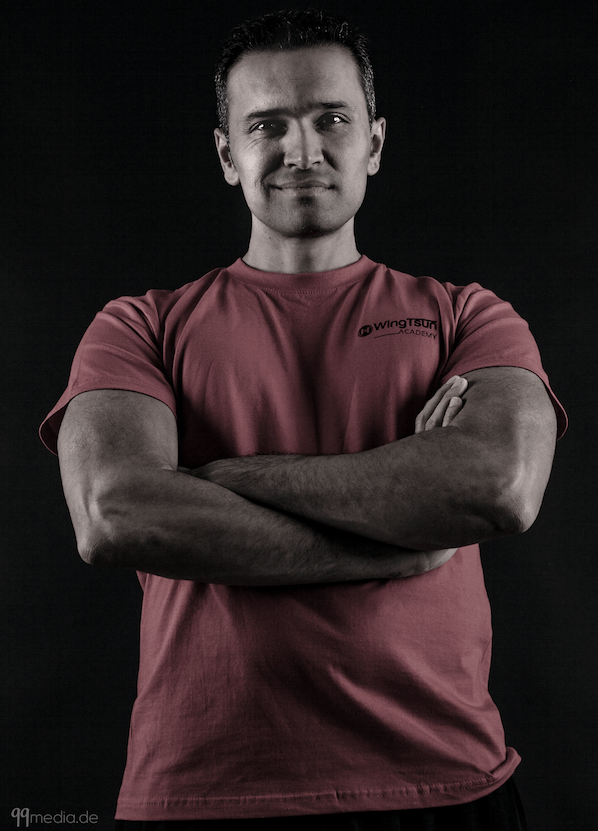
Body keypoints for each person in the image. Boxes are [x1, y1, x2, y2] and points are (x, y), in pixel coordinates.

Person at [40, 9, 566, 831]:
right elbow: (115, 512)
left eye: (331, 120)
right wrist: (402, 535)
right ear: (227, 155)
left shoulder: (468, 317)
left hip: (442, 781)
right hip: (204, 788)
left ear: (375, 143)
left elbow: (497, 486)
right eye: (268, 126)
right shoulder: (138, 327)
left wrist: (222, 479)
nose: (303, 150)